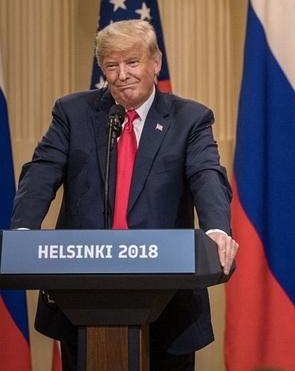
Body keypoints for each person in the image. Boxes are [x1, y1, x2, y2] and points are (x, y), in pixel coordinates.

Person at [10, 19, 238, 371]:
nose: (121, 75)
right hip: (81, 293)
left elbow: (206, 176)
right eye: (111, 66)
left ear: (155, 63)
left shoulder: (189, 119)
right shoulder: (73, 113)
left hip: (167, 298)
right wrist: (22, 234)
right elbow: (41, 173)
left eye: (132, 63)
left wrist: (217, 230)